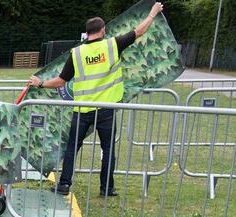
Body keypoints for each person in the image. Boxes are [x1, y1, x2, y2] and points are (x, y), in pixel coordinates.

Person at [28, 2, 164, 197]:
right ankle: (106, 188)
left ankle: (64, 184)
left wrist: (40, 83)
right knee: (107, 149)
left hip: (82, 110)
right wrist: (152, 14)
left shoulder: (77, 53)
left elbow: (60, 82)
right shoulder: (112, 45)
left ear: (87, 32)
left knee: (72, 149)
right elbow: (139, 31)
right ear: (103, 30)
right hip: (105, 109)